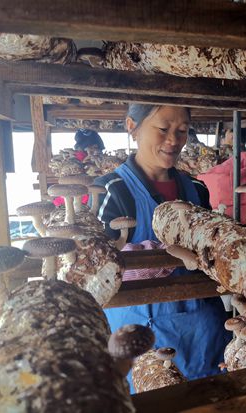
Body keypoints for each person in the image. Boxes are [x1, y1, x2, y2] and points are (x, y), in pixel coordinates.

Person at [93, 104, 231, 392]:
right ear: (132, 126)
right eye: (163, 129)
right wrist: (165, 254)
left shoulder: (196, 188)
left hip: (204, 332)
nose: (174, 140)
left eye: (182, 131)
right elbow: (97, 271)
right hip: (142, 338)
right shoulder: (112, 191)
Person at [53, 128, 106, 207]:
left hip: (74, 193)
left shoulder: (75, 156)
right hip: (85, 194)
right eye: (95, 146)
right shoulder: (81, 156)